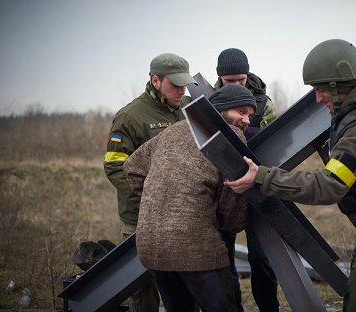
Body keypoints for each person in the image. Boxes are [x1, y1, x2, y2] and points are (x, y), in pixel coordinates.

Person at [224, 39, 356, 312]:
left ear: (340, 85)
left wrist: (262, 177)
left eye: (321, 90)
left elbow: (328, 185)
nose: (318, 98)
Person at [123, 84, 256, 312]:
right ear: (220, 110)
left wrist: (160, 198)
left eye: (250, 115)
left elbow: (132, 168)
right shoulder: (232, 136)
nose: (246, 121)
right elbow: (232, 209)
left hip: (151, 245)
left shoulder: (174, 130)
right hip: (195, 245)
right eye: (240, 112)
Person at [103, 53, 197, 312]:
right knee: (145, 289)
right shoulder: (131, 117)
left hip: (184, 216)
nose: (182, 90)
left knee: (189, 285)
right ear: (155, 80)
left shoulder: (190, 109)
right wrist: (150, 202)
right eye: (175, 85)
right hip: (142, 219)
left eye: (184, 84)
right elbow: (114, 166)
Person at [215, 48, 280, 312]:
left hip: (257, 189)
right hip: (221, 192)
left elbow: (280, 148)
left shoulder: (264, 105)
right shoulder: (207, 101)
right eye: (229, 81)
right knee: (221, 259)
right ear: (220, 78)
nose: (236, 85)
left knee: (262, 257)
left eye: (241, 80)